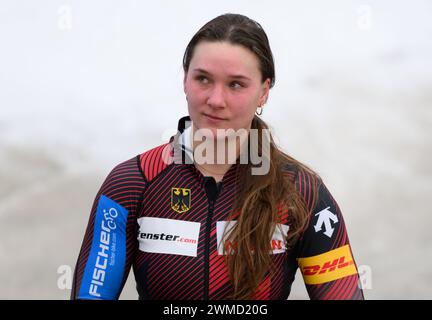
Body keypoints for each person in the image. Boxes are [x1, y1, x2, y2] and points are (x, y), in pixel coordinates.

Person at [71, 13, 364, 300]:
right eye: (203, 79)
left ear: (264, 92)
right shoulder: (131, 184)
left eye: (236, 84)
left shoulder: (302, 192)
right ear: (185, 79)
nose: (215, 100)